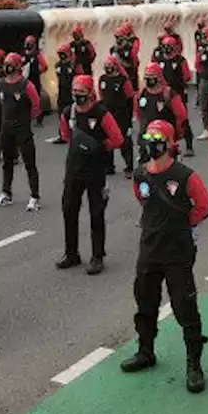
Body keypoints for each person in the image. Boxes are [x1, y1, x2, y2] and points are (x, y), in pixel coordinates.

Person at [121, 119, 208, 394]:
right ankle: (145, 351)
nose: (151, 142)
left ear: (169, 144)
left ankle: (194, 364)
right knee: (145, 303)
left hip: (177, 252)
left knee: (185, 306)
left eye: (157, 138)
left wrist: (183, 224)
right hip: (149, 249)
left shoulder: (185, 176)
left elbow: (204, 206)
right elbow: (143, 201)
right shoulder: (140, 175)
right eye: (148, 136)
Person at [57, 75, 125, 275]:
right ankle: (71, 253)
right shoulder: (68, 113)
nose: (77, 96)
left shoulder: (101, 114)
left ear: (90, 93)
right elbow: (65, 135)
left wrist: (99, 147)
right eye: (74, 92)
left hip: (95, 170)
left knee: (96, 212)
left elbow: (117, 139)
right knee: (69, 210)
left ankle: (97, 256)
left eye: (81, 92)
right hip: (73, 169)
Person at [0, 52, 42, 210]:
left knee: (30, 163)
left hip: (22, 129)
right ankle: (6, 193)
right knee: (7, 162)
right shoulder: (0, 84)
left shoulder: (26, 85)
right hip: (6, 128)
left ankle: (34, 197)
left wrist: (27, 120)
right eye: (5, 63)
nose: (7, 67)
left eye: (10, 64)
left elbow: (36, 105)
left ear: (17, 67)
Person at [135, 62, 187, 163]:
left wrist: (177, 133)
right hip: (146, 137)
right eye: (146, 76)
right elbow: (138, 113)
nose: (148, 79)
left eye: (151, 76)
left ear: (159, 77)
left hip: (165, 138)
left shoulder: (168, 94)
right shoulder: (141, 94)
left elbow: (181, 115)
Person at [98, 55, 136, 176]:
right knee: (107, 140)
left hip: (122, 115)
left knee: (124, 141)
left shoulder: (123, 81)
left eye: (111, 65)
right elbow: (101, 96)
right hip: (107, 115)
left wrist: (130, 119)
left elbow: (130, 99)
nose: (108, 67)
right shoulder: (102, 79)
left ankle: (129, 167)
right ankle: (109, 166)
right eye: (106, 65)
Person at [158, 36, 195, 156]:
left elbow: (187, 76)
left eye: (168, 47)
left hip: (178, 94)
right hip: (163, 95)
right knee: (164, 119)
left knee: (182, 119)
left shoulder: (180, 60)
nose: (166, 49)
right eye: (165, 47)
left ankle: (189, 145)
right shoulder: (159, 60)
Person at [48, 43, 76, 145]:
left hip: (72, 91)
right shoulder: (58, 65)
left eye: (63, 53)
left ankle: (74, 134)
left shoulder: (74, 64)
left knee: (72, 113)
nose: (62, 56)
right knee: (61, 114)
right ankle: (62, 134)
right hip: (62, 91)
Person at [23, 35, 49, 127]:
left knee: (36, 99)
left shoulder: (37, 54)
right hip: (26, 80)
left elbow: (45, 66)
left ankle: (39, 119)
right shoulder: (25, 55)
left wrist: (38, 72)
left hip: (34, 80)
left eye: (29, 44)